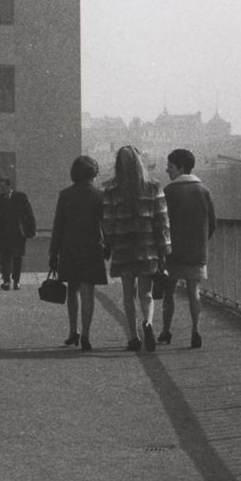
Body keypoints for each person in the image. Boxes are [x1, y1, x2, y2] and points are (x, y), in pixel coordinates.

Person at [101, 145, 170, 352]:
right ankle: (148, 323)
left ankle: (133, 337)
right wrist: (164, 250)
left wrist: (109, 244)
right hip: (147, 247)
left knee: (128, 293)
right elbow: (162, 222)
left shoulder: (111, 189)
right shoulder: (153, 187)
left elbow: (108, 222)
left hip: (123, 248)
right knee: (146, 293)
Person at [48, 155, 108, 352]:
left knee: (72, 290)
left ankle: (72, 332)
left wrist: (53, 252)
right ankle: (86, 335)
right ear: (93, 173)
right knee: (88, 291)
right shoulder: (100, 196)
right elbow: (105, 225)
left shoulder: (65, 195)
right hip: (92, 248)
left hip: (70, 248)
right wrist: (108, 247)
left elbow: (59, 226)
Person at [160, 148, 217, 349]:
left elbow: (162, 223)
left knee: (169, 293)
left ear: (180, 167)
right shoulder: (203, 190)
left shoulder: (168, 191)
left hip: (173, 253)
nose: (167, 170)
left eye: (170, 167)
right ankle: (196, 331)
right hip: (196, 251)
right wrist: (201, 240)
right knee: (194, 291)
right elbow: (212, 222)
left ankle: (166, 331)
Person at [0, 176, 35, 290]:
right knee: (5, 257)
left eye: (3, 185)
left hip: (18, 233)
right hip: (3, 234)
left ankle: (16, 281)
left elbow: (29, 214)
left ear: (9, 186)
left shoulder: (21, 197)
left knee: (17, 257)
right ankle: (6, 281)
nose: (1, 188)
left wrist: (31, 229)